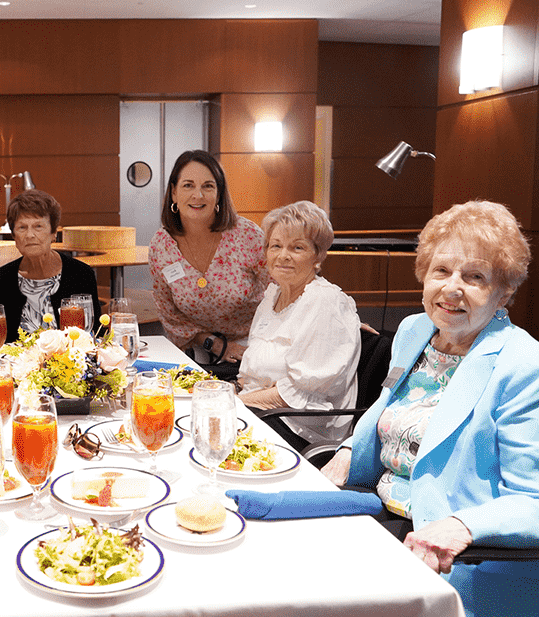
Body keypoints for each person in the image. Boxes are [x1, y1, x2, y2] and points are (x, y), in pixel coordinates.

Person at [321, 200, 539, 617]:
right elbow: (390, 403)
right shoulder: (416, 330)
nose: (452, 288)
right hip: (377, 512)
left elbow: (533, 498)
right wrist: (349, 450)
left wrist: (462, 527)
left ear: (505, 290)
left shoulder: (524, 365)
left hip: (449, 557)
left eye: (475, 277)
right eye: (442, 271)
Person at [235, 201, 361, 449]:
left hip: (300, 429)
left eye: (297, 247)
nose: (283, 256)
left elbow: (297, 395)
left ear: (318, 255)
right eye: (276, 246)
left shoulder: (324, 302)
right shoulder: (273, 295)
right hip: (261, 410)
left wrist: (235, 402)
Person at [148, 150, 269, 375]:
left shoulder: (248, 235)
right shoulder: (161, 245)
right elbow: (169, 313)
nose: (198, 195)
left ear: (219, 194)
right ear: (173, 192)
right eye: (188, 185)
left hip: (253, 348)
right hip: (196, 350)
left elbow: (281, 292)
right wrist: (213, 344)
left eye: (208, 186)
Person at [0, 189, 101, 342]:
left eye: (38, 226)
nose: (30, 235)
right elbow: (0, 339)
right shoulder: (3, 278)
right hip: (18, 363)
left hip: (70, 362)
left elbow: (94, 333)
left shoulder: (81, 274)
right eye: (22, 227)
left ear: (53, 233)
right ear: (14, 236)